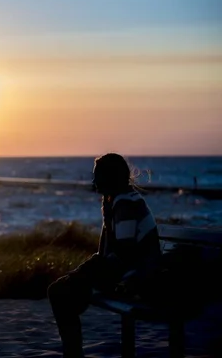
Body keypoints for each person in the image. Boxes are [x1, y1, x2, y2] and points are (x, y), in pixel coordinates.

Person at [48, 153, 162, 358]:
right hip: (126, 273)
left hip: (137, 278)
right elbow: (104, 254)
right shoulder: (114, 202)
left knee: (59, 293)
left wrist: (85, 276)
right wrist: (81, 272)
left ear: (110, 177)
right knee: (59, 290)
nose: (93, 182)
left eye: (97, 176)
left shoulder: (125, 203)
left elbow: (124, 256)